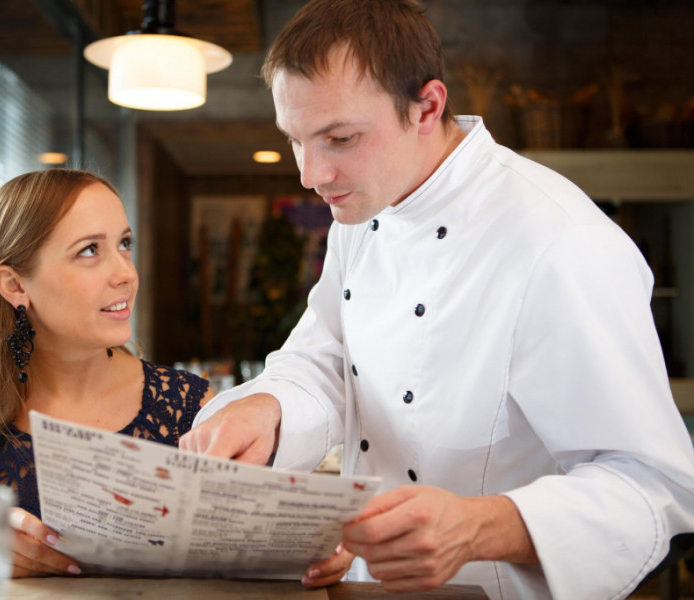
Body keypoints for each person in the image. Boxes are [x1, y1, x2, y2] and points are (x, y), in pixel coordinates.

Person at [180, 1, 694, 598]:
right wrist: (267, 408)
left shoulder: (563, 242)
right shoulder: (363, 209)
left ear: (427, 107)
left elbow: (656, 487)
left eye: (340, 138)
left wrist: (479, 527)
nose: (311, 174)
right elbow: (329, 358)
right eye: (296, 140)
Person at [0, 168, 213, 578]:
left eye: (124, 244)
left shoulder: (192, 409)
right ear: (14, 285)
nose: (126, 274)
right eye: (89, 250)